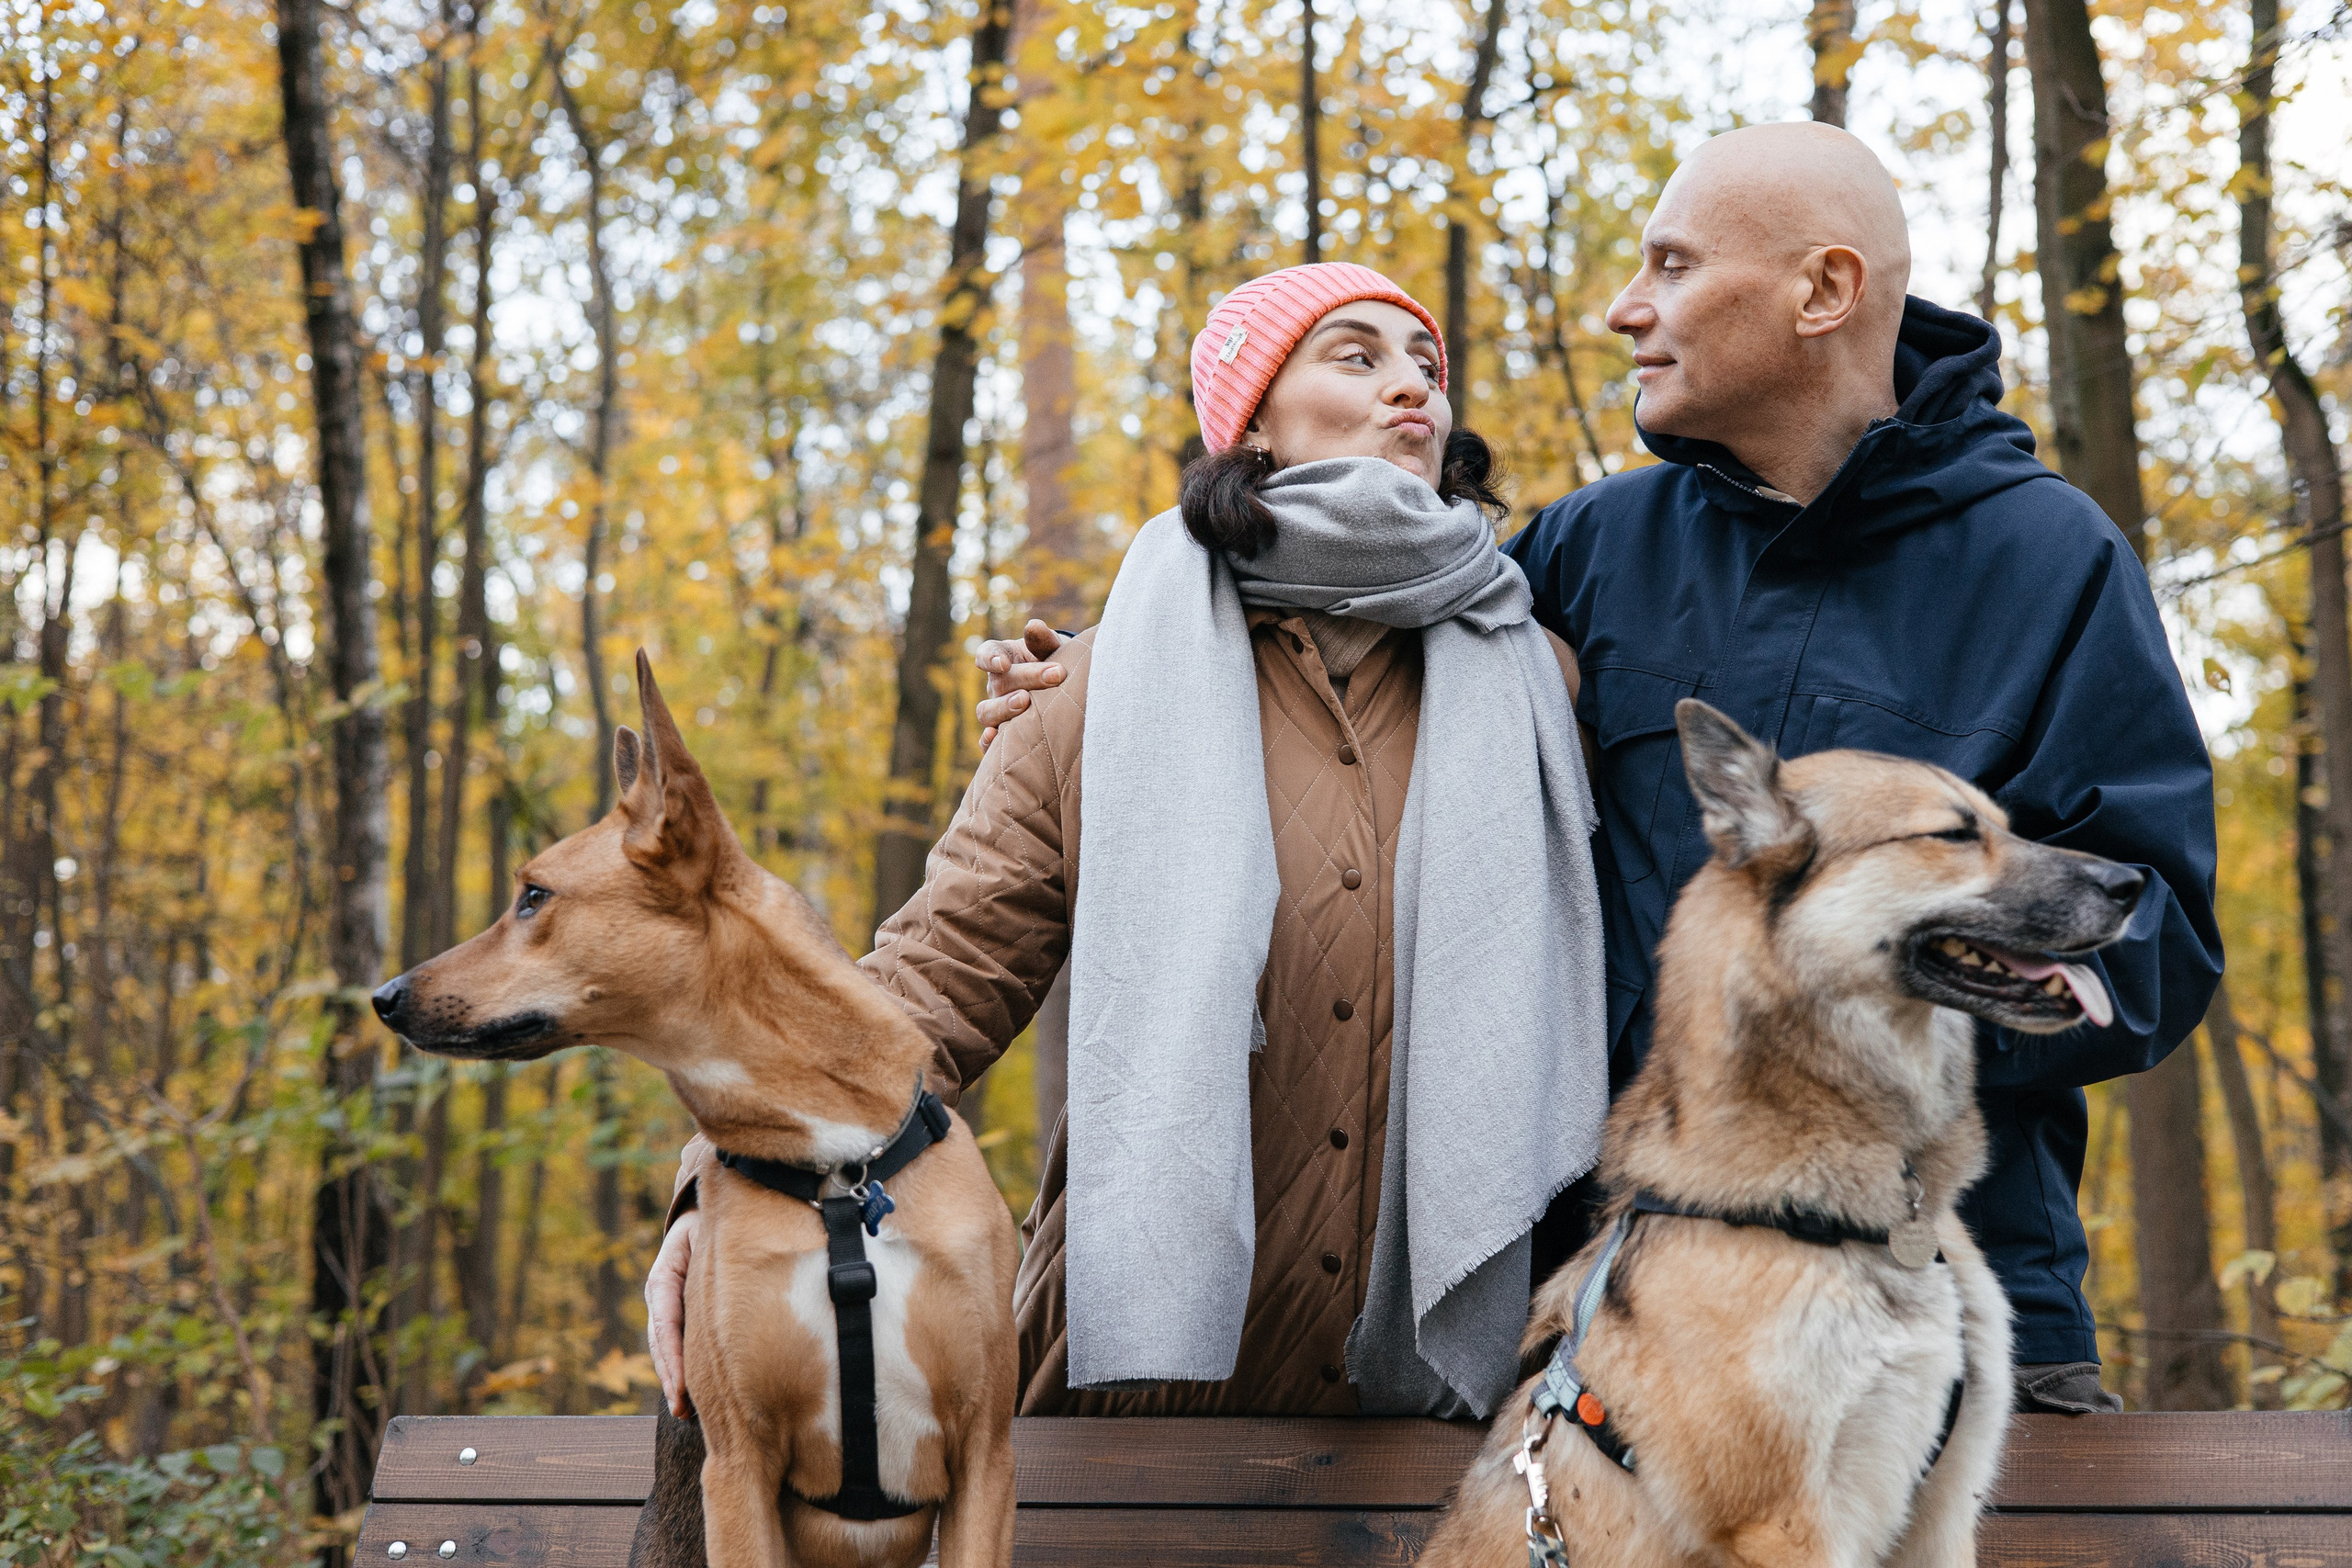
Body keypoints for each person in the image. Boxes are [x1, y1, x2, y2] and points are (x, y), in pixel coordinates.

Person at [974, 123, 2223, 1415]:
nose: (1629, 307)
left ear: (1824, 292)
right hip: (1611, 1311)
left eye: (1672, 267)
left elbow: (2152, 947)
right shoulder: (1585, 553)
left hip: (1932, 1313)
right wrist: (1094, 673)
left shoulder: (2052, 564)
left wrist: (1846, 1013)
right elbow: (1335, 663)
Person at [646, 262, 1611, 1421]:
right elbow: (939, 977)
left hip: (1450, 1414)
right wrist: (726, 1178)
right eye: (1356, 356)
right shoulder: (1099, 686)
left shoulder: (1539, 683)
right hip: (1134, 1400)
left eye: (1426, 367)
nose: (1413, 385)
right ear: (1251, 417)